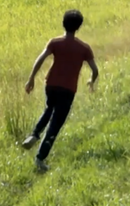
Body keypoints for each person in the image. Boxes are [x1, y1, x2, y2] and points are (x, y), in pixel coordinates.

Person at [21, 9, 99, 171]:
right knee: (56, 124)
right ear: (78, 27)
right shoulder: (84, 48)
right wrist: (91, 81)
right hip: (68, 89)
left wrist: (31, 79)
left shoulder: (55, 42)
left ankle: (35, 134)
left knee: (49, 109)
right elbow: (95, 70)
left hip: (51, 85)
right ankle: (40, 159)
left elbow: (40, 59)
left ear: (63, 23)